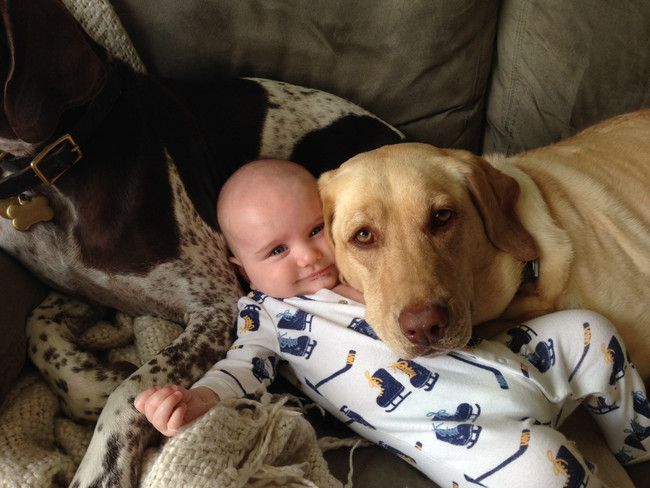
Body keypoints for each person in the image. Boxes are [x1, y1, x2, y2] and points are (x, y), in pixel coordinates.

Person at [135, 159, 650, 488]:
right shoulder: (267, 318)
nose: (310, 257)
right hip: (468, 436)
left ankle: (639, 442)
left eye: (317, 230)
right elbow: (243, 367)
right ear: (242, 272)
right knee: (544, 471)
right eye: (276, 250)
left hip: (512, 365)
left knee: (591, 329)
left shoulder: (359, 273)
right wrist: (201, 397)